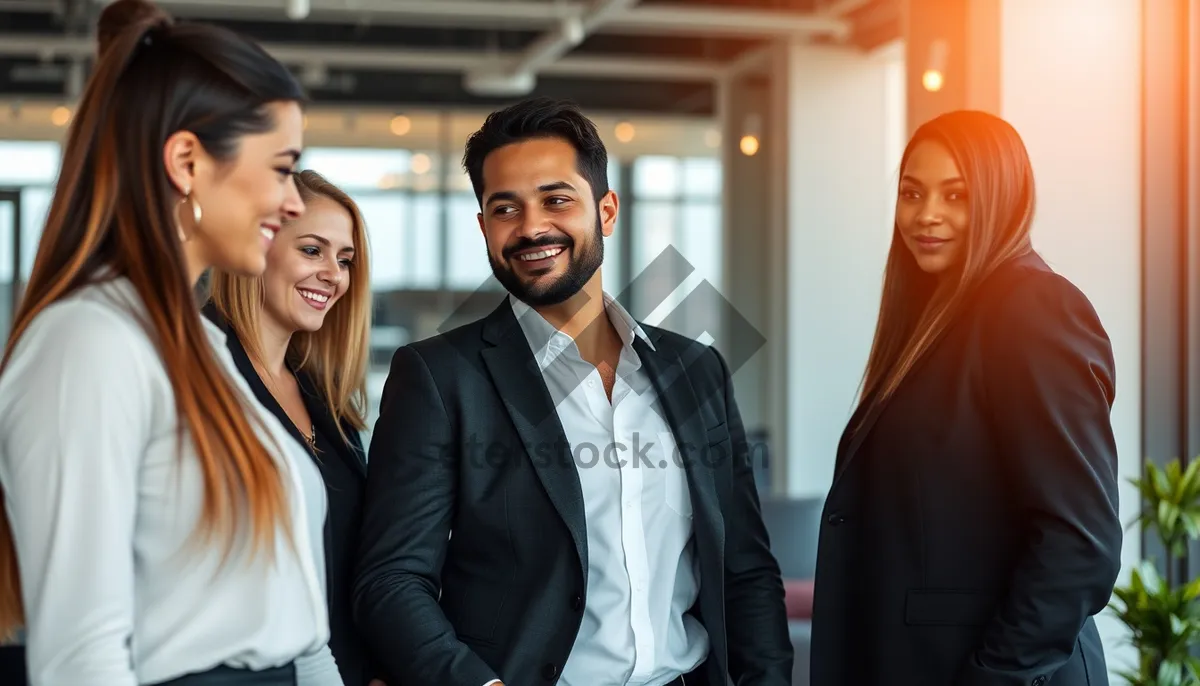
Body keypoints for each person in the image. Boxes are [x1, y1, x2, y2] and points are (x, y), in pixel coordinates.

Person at [353, 96, 794, 686]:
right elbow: (390, 579)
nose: (532, 227)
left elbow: (745, 569)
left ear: (606, 211)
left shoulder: (696, 370)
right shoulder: (440, 377)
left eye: (556, 200)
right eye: (505, 208)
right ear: (484, 228)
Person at [0, 1, 343, 684]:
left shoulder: (197, 347)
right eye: (281, 168)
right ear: (187, 161)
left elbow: (295, 622)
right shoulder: (89, 345)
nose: (293, 200)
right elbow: (80, 660)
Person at [809, 110, 1122, 686]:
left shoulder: (1033, 308)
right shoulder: (939, 320)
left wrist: (991, 677)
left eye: (957, 195)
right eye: (912, 193)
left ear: (1004, 200)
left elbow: (1080, 546)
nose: (927, 214)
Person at [203, 169, 379, 686]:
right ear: (255, 245)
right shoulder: (199, 376)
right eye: (312, 250)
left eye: (344, 260)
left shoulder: (324, 400)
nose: (334, 275)